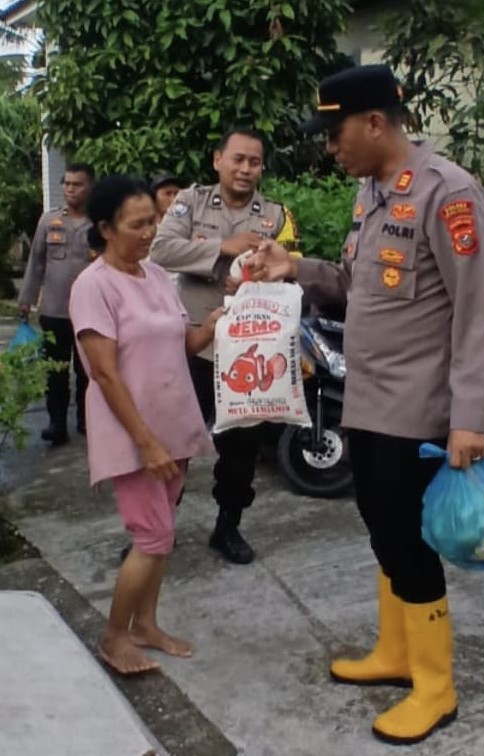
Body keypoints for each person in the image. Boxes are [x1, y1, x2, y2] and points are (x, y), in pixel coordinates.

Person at [248, 64, 484, 744]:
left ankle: (436, 688)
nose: (331, 147)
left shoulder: (448, 194)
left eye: (335, 133)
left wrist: (472, 416)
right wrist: (293, 269)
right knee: (383, 531)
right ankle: (396, 655)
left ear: (374, 122)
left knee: (409, 543)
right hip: (366, 398)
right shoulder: (373, 193)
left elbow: (479, 312)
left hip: (417, 409)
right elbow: (357, 285)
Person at [69, 175, 220, 675]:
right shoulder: (93, 286)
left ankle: (146, 624)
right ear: (106, 229)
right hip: (134, 433)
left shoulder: (154, 275)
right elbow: (106, 374)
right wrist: (146, 442)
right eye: (137, 225)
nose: (149, 232)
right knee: (152, 535)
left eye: (153, 221)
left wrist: (215, 325)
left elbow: (182, 343)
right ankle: (115, 637)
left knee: (164, 533)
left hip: (173, 423)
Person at [149, 128, 300, 564]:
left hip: (249, 351)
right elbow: (160, 249)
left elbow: (291, 267)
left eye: (254, 161)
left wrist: (258, 275)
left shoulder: (276, 215)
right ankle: (156, 531)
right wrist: (223, 249)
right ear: (218, 160)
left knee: (240, 451)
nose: (245, 169)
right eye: (237, 159)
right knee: (173, 443)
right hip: (195, 344)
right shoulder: (190, 202)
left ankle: (228, 526)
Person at [18, 163, 95, 445]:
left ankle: (88, 421)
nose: (70, 190)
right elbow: (36, 262)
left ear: (90, 188)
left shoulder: (100, 223)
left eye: (78, 184)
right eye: (67, 184)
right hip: (53, 310)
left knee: (88, 371)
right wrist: (26, 298)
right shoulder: (49, 221)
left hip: (89, 313)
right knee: (56, 371)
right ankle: (56, 423)